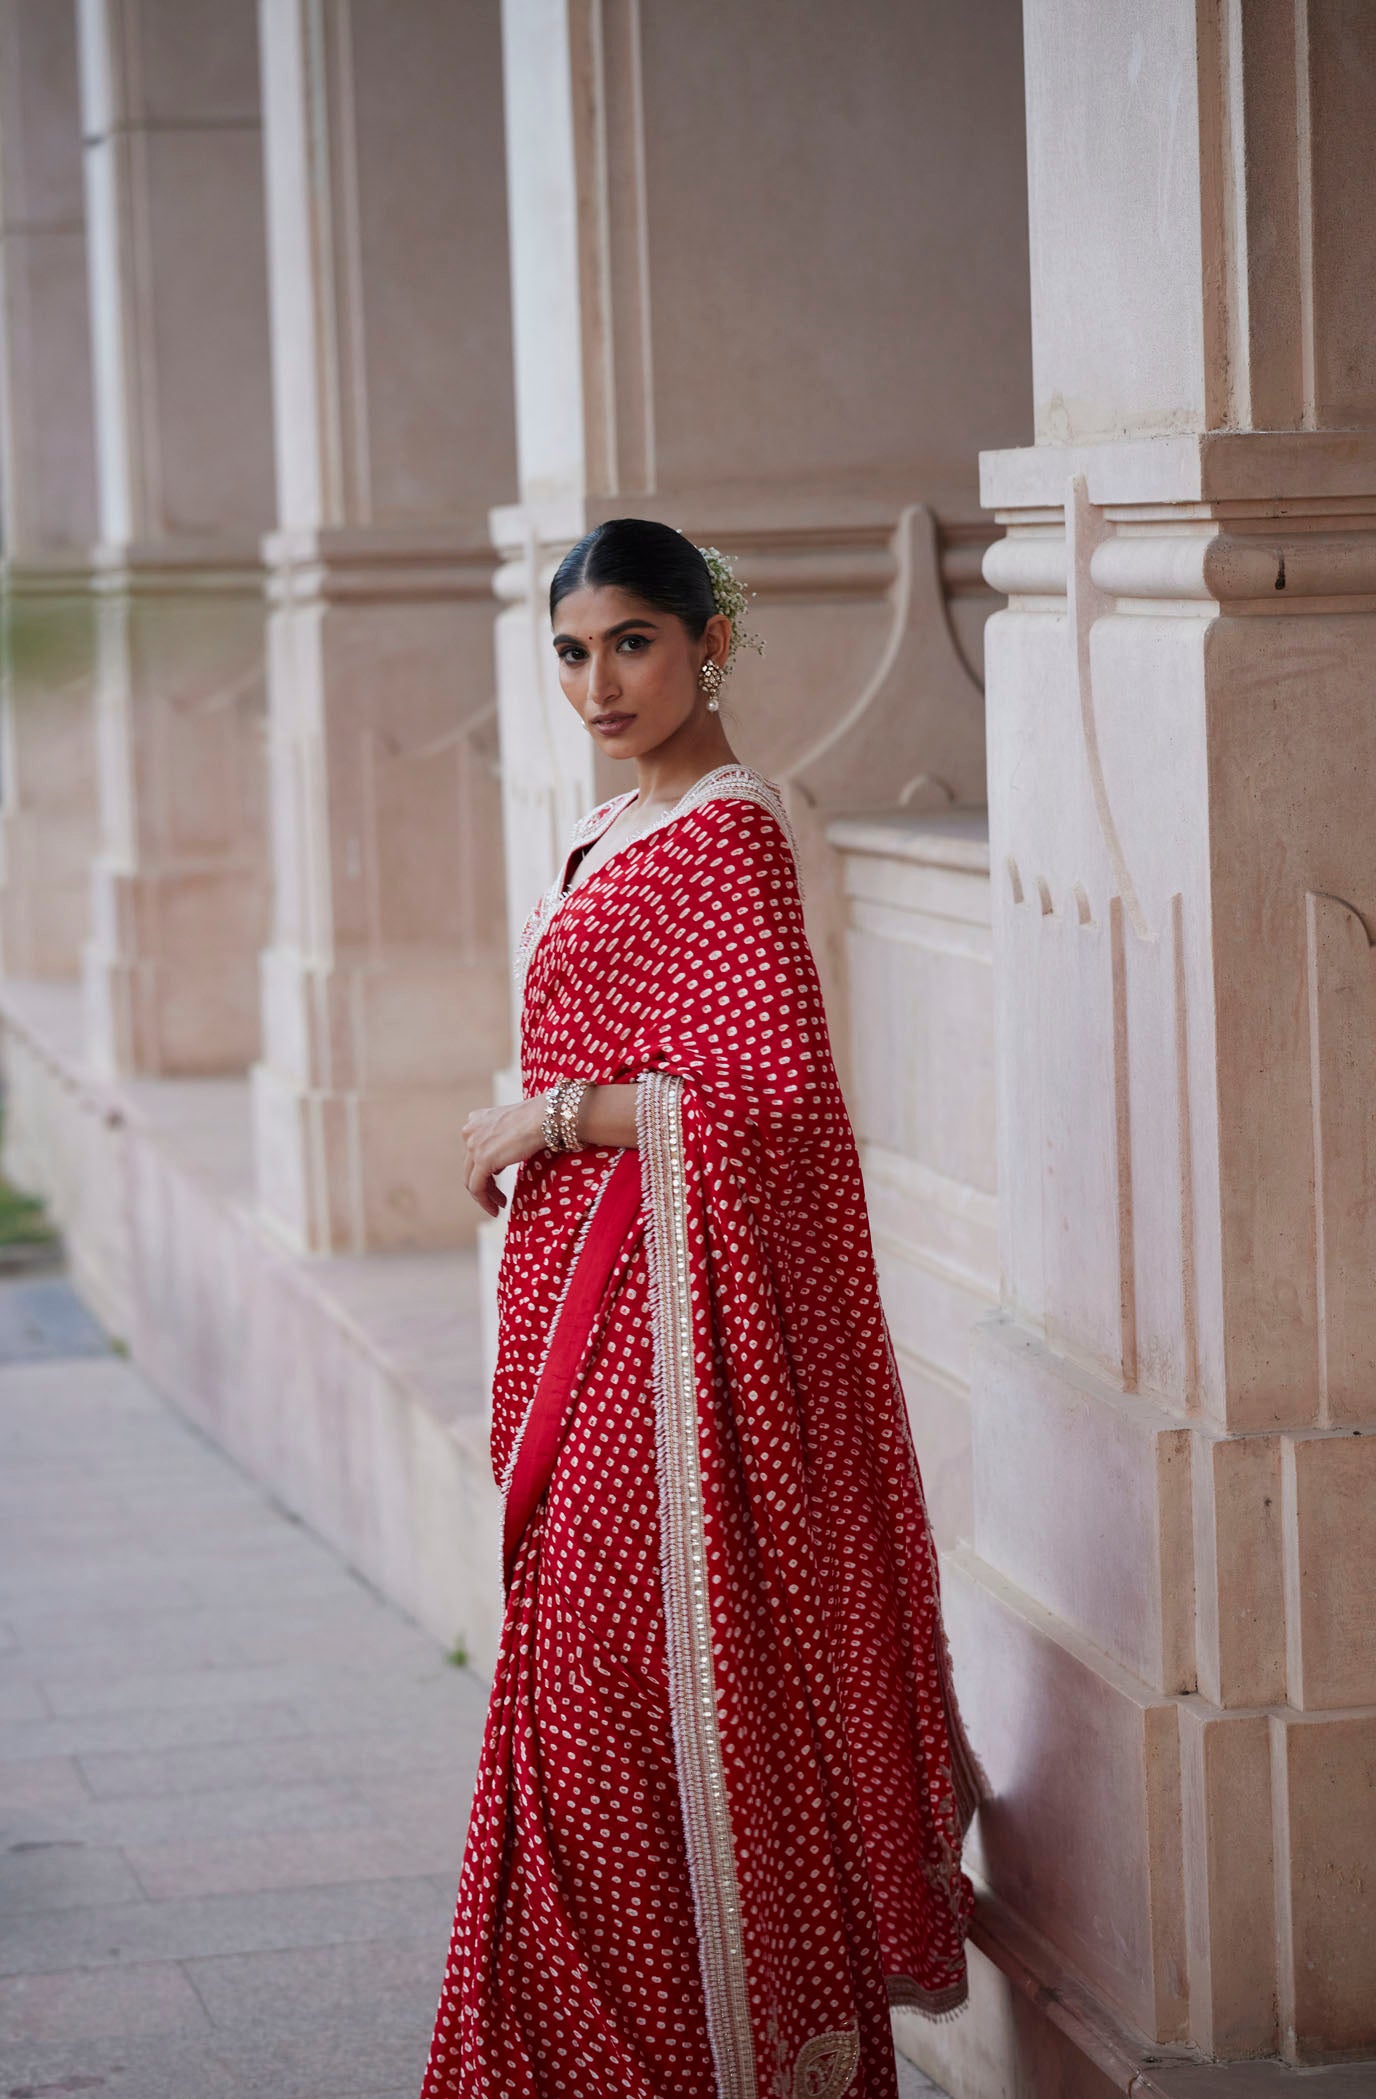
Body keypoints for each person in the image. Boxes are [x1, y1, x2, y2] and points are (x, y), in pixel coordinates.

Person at [420, 517, 988, 2099]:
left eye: (633, 644)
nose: (598, 683)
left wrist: (542, 1119)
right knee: (575, 1692)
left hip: (675, 1354)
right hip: (596, 1303)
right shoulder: (615, 827)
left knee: (627, 1690)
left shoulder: (732, 834)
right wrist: (549, 1127)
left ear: (708, 644)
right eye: (572, 652)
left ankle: (698, 2054)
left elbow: (769, 1103)